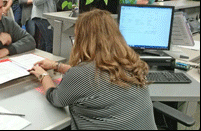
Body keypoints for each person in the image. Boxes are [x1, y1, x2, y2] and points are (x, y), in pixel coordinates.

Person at [28, 9, 157, 130]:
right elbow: (99, 76)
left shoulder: (83, 74)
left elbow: (55, 98)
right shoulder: (129, 62)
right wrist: (58, 66)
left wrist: (43, 75)